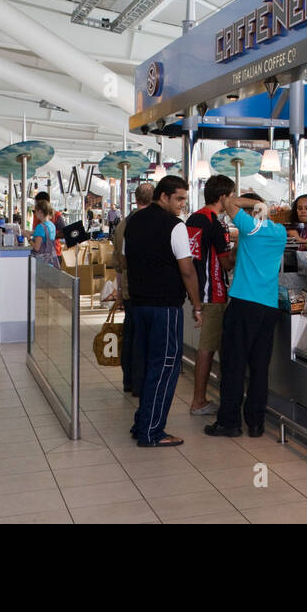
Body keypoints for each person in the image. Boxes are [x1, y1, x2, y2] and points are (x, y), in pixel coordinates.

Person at [125, 175, 202, 447]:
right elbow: (187, 270)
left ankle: (142, 423)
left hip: (138, 304)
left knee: (148, 365)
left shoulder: (134, 220)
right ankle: (152, 431)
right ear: (164, 196)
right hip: (165, 307)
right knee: (166, 366)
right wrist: (197, 304)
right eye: (179, 198)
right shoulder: (175, 226)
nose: (182, 204)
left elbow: (126, 259)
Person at [206, 191, 287, 439]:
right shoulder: (280, 232)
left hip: (243, 304)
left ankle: (229, 422)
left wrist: (256, 203)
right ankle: (256, 423)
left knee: (234, 365)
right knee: (259, 367)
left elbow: (229, 203)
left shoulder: (251, 227)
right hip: (268, 306)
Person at [186, 175, 235, 415]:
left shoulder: (194, 218)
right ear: (223, 197)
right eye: (232, 196)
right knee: (207, 348)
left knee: (204, 347)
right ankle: (199, 401)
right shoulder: (217, 224)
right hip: (214, 292)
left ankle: (200, 398)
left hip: (197, 290)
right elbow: (226, 263)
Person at [111, 182, 153, 397]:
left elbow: (117, 263)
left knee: (130, 335)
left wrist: (119, 291)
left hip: (127, 286)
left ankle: (129, 380)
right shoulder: (147, 224)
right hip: (143, 287)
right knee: (141, 338)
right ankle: (139, 382)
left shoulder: (122, 224)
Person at [29, 199, 60, 268]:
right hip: (50, 261)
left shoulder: (40, 227)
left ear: (39, 211)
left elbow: (36, 247)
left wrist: (29, 239)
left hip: (41, 263)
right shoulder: (52, 225)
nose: (35, 214)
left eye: (35, 211)